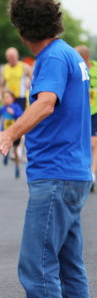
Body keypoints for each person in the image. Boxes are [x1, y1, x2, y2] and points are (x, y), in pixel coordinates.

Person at [0, 0, 97, 298]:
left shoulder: (52, 58)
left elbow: (46, 104)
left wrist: (10, 132)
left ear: (22, 31)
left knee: (36, 266)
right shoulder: (70, 53)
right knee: (69, 266)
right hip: (73, 171)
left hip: (55, 174)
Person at [75, 45, 97, 190]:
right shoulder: (76, 69)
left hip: (95, 111)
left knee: (94, 143)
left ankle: (92, 174)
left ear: (84, 57)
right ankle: (84, 172)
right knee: (84, 144)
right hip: (80, 111)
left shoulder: (95, 68)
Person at [0, 90, 23, 178]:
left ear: (12, 99)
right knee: (6, 145)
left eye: (8, 97)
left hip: (15, 132)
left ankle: (17, 167)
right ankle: (6, 156)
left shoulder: (16, 107)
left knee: (15, 150)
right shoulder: (2, 108)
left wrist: (14, 113)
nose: (6, 99)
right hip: (6, 131)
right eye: (4, 98)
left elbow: (21, 116)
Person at [0, 46, 32, 111]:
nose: (11, 58)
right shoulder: (4, 68)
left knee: (20, 116)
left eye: (13, 56)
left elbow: (34, 79)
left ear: (17, 56)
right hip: (9, 98)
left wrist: (29, 81)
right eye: (9, 56)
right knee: (10, 117)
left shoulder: (24, 66)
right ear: (6, 57)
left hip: (21, 97)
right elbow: (2, 85)